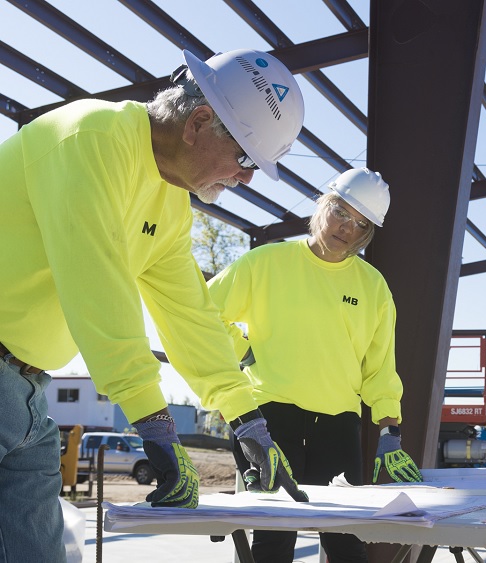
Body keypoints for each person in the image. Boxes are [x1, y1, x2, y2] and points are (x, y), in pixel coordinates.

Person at [0, 48, 307, 562]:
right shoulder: (92, 139)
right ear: (199, 122)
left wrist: (245, 417)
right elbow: (96, 285)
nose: (247, 179)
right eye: (246, 159)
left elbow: (189, 315)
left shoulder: (169, 206)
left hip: (28, 394)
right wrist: (154, 422)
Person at [208, 167, 423, 563]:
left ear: (367, 234)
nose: (347, 228)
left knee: (345, 539)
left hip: (339, 423)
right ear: (324, 203)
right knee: (273, 537)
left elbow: (379, 365)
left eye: (361, 224)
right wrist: (239, 348)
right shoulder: (266, 262)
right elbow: (202, 311)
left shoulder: (372, 287)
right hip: (269, 418)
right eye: (342, 212)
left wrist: (390, 428)